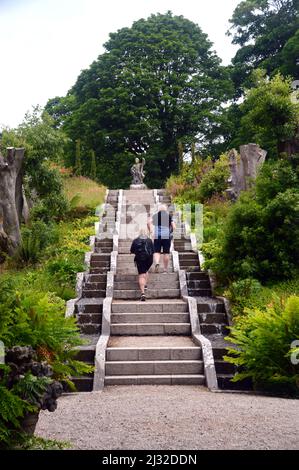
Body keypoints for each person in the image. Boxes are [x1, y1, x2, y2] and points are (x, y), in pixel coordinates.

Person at [148, 204, 176, 273]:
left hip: (157, 236)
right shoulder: (168, 216)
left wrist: (151, 231)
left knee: (156, 251)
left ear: (159, 209)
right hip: (166, 236)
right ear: (165, 210)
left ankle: (157, 263)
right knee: (166, 252)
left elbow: (148, 222)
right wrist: (170, 231)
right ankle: (165, 269)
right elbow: (174, 226)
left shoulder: (156, 216)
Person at [130, 229, 154, 301]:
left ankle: (143, 293)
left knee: (141, 275)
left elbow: (132, 251)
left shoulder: (135, 241)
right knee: (146, 270)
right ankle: (145, 284)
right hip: (149, 259)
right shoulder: (149, 240)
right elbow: (153, 250)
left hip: (140, 259)